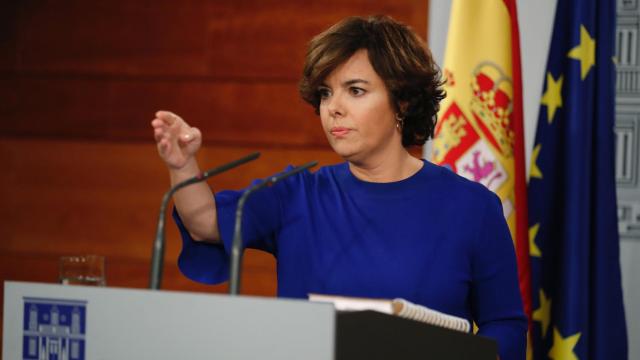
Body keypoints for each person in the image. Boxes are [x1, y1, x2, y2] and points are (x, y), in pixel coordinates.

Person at [151, 15, 527, 359]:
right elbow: (205, 223)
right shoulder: (296, 193)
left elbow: (505, 324)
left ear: (403, 101)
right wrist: (183, 165)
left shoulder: (472, 208)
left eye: (356, 90)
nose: (333, 108)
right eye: (326, 93)